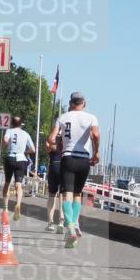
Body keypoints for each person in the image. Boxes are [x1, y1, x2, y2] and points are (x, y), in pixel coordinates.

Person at [47, 92, 99, 248]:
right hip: (84, 159)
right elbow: (96, 134)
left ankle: (70, 227)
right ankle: (75, 224)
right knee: (77, 194)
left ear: (71, 103)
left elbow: (51, 139)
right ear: (84, 103)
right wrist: (96, 151)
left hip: (68, 158)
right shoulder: (91, 118)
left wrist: (56, 143)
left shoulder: (63, 117)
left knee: (66, 194)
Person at [1, 115, 35, 220]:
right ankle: (18, 204)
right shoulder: (26, 134)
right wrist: (24, 151)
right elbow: (33, 149)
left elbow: (5, 140)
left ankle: (6, 208)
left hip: (10, 157)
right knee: (18, 185)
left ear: (12, 123)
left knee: (7, 183)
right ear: (21, 124)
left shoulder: (9, 131)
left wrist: (4, 145)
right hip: (21, 159)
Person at [44, 137, 63, 232]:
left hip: (53, 166)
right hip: (64, 168)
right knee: (63, 195)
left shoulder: (51, 143)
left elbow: (47, 146)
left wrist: (49, 142)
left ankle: (50, 222)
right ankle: (61, 222)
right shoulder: (65, 141)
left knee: (52, 195)